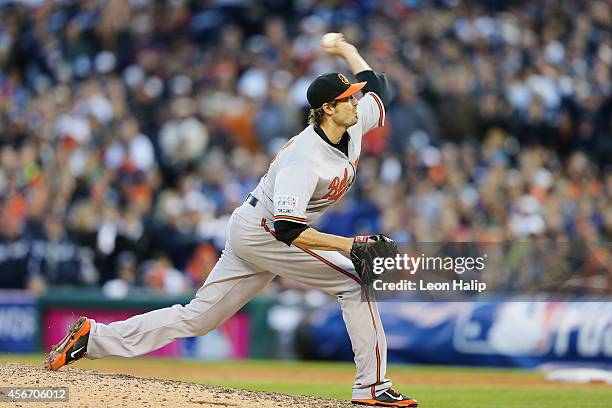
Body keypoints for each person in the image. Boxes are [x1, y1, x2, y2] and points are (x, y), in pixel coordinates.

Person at [44, 34, 418, 407]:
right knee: (355, 280)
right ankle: (373, 388)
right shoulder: (303, 159)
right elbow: (289, 229)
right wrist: (351, 246)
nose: (356, 102)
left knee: (198, 318)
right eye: (347, 99)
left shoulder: (352, 124)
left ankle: (92, 339)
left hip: (255, 228)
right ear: (327, 109)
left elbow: (378, 87)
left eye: (353, 96)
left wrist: (344, 50)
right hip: (266, 232)